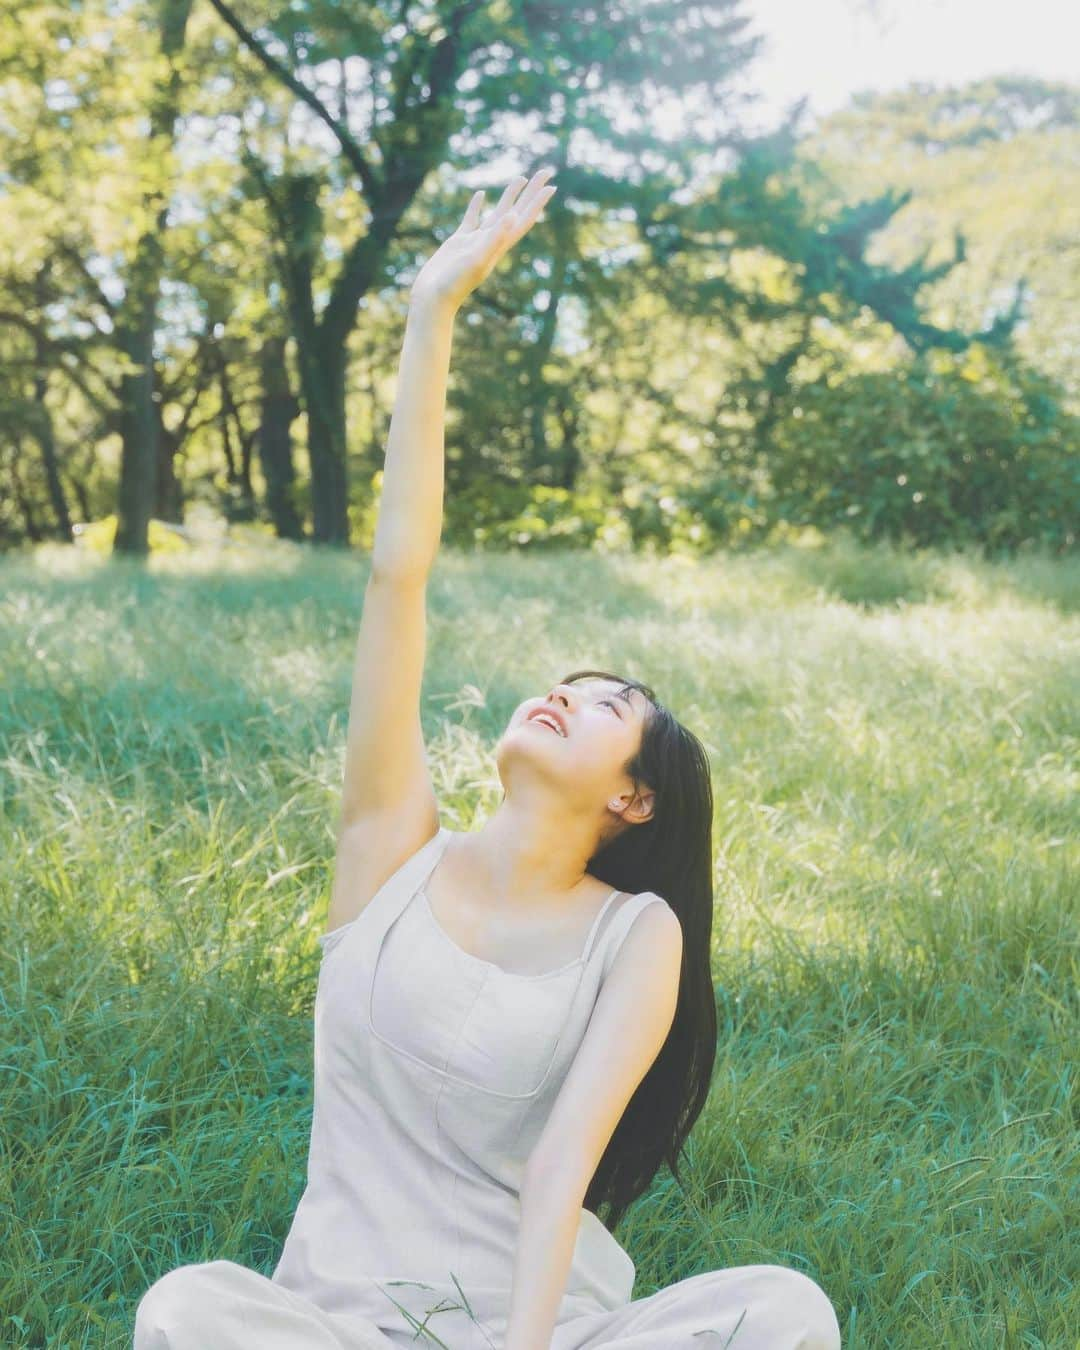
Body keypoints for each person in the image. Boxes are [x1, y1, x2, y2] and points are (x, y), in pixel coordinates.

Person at [133, 168, 842, 1349]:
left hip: (540, 1330)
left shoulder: (636, 934)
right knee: (186, 1309)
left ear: (633, 795)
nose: (564, 695)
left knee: (785, 1311)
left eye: (605, 702)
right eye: (564, 683)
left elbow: (567, 1154)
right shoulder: (388, 855)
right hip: (341, 1326)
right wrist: (431, 313)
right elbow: (397, 574)